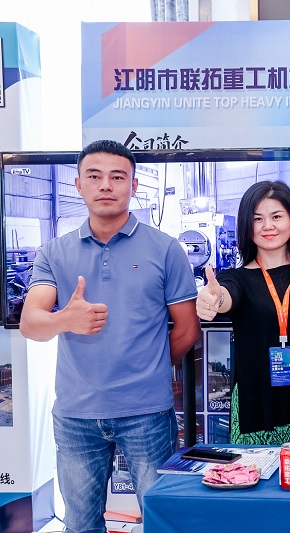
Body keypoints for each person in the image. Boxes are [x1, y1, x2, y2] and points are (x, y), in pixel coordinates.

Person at [20, 140, 200, 532]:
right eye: (94, 176)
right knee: (81, 525)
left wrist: (147, 367)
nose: (106, 185)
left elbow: (188, 330)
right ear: (78, 184)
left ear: (133, 186)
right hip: (76, 415)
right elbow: (31, 323)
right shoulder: (54, 252)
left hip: (147, 413)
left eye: (117, 177)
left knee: (162, 521)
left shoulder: (166, 249)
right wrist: (65, 320)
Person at [196, 181, 290, 444]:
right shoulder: (236, 279)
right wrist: (215, 299)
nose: (268, 226)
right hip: (255, 411)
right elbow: (227, 295)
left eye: (276, 216)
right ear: (246, 225)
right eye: (257, 219)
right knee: (253, 470)